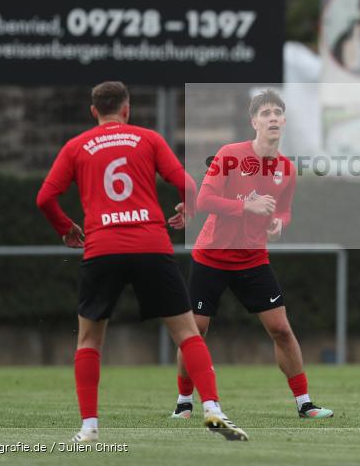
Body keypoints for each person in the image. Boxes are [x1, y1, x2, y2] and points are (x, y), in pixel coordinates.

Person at [36, 81, 247, 443]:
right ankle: (212, 407)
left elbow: (45, 198)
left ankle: (89, 428)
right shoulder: (147, 139)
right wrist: (187, 209)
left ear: (93, 112)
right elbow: (189, 185)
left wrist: (66, 228)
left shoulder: (76, 146)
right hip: (151, 244)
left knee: (88, 341)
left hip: (102, 247)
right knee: (186, 333)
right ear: (127, 109)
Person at [171, 90, 334, 420]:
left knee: (282, 330)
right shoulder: (230, 154)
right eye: (266, 113)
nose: (273, 117)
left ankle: (304, 403)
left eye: (277, 112)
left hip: (252, 259)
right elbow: (204, 201)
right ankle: (184, 401)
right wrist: (248, 205)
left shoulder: (286, 169)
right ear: (254, 122)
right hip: (212, 257)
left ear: (284, 121)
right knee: (195, 331)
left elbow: (285, 212)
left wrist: (278, 224)